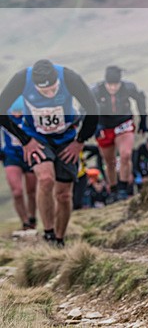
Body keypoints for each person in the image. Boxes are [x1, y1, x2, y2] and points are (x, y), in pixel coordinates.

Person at [0, 59, 98, 246]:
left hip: (67, 139)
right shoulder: (21, 79)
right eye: (44, 92)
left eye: (54, 89)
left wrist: (80, 141)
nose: (50, 94)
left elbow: (93, 109)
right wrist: (25, 140)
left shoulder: (70, 78)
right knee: (45, 179)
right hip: (37, 138)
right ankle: (48, 233)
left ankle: (59, 240)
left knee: (64, 195)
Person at [91, 65, 148, 202]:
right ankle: (114, 189)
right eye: (109, 85)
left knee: (125, 155)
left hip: (124, 123)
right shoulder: (95, 91)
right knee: (109, 162)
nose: (113, 88)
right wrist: (94, 126)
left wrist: (143, 120)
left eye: (115, 85)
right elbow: (85, 108)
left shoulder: (128, 88)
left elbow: (140, 99)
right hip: (104, 126)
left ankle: (123, 188)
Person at [1, 97, 38, 231]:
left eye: (20, 111)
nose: (17, 114)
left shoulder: (29, 117)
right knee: (17, 191)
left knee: (31, 190)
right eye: (14, 111)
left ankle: (33, 217)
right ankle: (25, 221)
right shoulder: (5, 117)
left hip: (29, 155)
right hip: (11, 155)